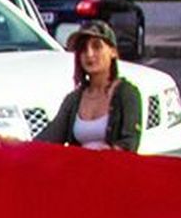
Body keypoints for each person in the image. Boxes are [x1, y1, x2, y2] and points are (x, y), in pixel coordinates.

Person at [38, 20, 143, 150]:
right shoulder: (74, 99)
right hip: (78, 169)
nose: (89, 54)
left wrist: (107, 152)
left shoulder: (127, 93)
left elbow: (130, 143)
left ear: (113, 52)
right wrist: (18, 145)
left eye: (97, 46)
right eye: (83, 49)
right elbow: (48, 138)